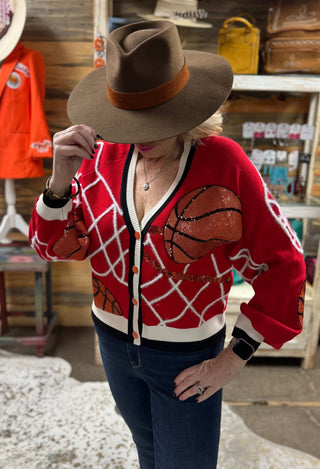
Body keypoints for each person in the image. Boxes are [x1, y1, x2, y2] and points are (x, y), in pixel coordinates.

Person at [29, 20, 306, 469]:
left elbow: (286, 264)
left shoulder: (225, 164)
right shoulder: (98, 156)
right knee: (149, 453)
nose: (143, 135)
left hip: (186, 358)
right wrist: (59, 182)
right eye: (131, 120)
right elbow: (51, 247)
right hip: (113, 346)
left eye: (159, 117)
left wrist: (233, 358)